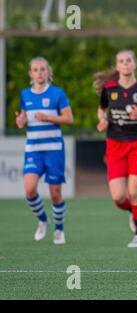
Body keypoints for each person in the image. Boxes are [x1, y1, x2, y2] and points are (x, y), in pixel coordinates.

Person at [94, 50, 137, 248]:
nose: (125, 63)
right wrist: (102, 120)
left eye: (129, 60)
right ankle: (134, 211)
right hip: (114, 145)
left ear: (134, 64)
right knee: (118, 197)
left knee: (133, 192)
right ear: (117, 66)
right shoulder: (109, 89)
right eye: (121, 61)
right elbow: (101, 109)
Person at [15, 57, 74, 244]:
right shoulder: (25, 95)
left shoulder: (57, 93)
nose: (39, 73)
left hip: (54, 149)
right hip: (33, 149)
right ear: (30, 74)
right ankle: (43, 220)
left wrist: (48, 117)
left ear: (48, 72)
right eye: (35, 70)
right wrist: (21, 121)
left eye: (42, 69)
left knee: (55, 192)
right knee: (30, 189)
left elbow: (69, 119)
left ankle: (59, 229)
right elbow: (24, 118)